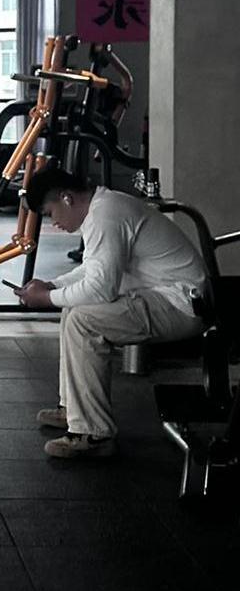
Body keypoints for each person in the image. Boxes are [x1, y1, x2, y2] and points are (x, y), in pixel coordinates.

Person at [14, 165, 207, 459]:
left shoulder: (105, 215)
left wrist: (47, 298)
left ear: (67, 198)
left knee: (83, 321)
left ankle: (93, 434)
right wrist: (52, 286)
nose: (54, 223)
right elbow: (93, 271)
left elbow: (100, 289)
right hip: (165, 296)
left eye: (51, 213)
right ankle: (74, 409)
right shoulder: (103, 208)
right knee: (74, 309)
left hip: (183, 304)